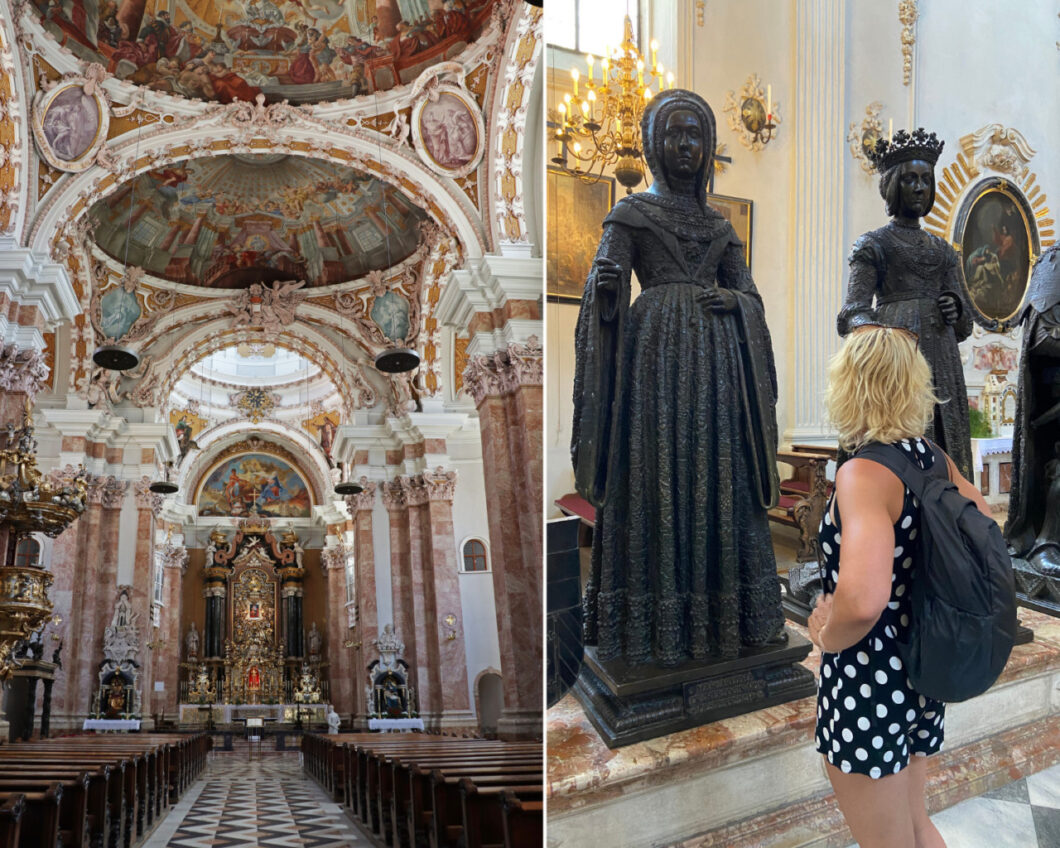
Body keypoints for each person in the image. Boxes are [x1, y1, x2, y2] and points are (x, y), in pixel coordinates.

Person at [572, 89, 785, 666]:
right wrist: (609, 288)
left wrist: (733, 301)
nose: (686, 145)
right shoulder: (631, 214)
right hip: (655, 364)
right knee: (654, 473)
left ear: (708, 145)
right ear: (653, 144)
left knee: (722, 472)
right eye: (675, 134)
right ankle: (649, 627)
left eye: (695, 134)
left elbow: (752, 297)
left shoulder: (718, 224)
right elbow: (602, 285)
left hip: (717, 369)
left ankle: (729, 620)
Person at [807, 325, 991, 848]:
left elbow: (863, 600)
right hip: (921, 662)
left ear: (850, 384)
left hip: (870, 678)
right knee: (915, 825)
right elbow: (982, 523)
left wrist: (827, 635)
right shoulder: (932, 457)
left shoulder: (863, 472)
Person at [838, 128, 974, 479]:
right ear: (893, 184)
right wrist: (880, 341)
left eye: (926, 180)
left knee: (945, 446)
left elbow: (965, 325)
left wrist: (955, 309)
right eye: (910, 179)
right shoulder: (874, 244)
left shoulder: (943, 250)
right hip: (894, 364)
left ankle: (947, 525)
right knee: (894, 450)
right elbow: (853, 310)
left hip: (941, 361)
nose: (919, 187)